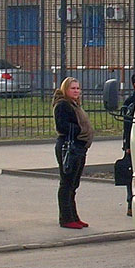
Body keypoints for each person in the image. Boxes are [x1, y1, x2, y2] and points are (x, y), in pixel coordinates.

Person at [53, 77, 94, 229]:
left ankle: (74, 216)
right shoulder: (63, 105)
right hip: (69, 146)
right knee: (67, 183)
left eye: (78, 88)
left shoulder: (75, 104)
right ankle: (66, 218)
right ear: (66, 90)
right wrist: (80, 129)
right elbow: (62, 126)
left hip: (80, 147)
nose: (76, 91)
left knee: (74, 184)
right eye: (73, 88)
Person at [121, 70, 135, 216]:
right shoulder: (131, 103)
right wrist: (128, 146)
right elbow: (127, 126)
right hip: (133, 144)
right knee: (131, 174)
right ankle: (131, 203)